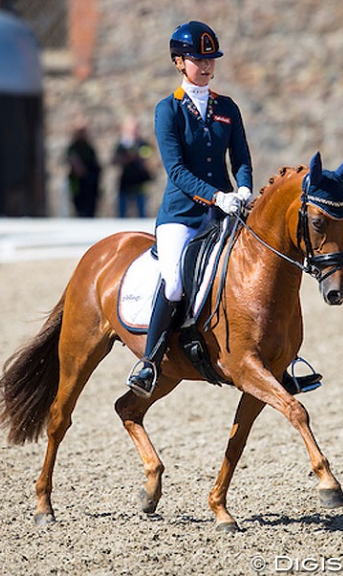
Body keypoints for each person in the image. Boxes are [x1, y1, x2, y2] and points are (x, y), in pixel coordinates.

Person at [126, 20, 254, 398]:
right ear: (180, 62)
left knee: (256, 268)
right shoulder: (169, 110)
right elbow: (177, 171)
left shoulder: (227, 108)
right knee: (176, 281)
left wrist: (244, 186)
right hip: (182, 216)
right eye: (198, 59)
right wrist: (218, 197)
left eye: (211, 58)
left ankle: (282, 355)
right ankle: (150, 362)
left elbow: (241, 157)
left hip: (225, 214)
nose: (207, 65)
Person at [111, 117, 154, 218]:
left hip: (139, 183)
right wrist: (125, 158)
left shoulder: (143, 144)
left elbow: (150, 160)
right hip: (125, 182)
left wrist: (139, 158)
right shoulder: (121, 146)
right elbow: (114, 161)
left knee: (142, 212)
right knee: (122, 213)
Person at [66, 121, 101, 218]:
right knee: (80, 205)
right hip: (79, 182)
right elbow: (73, 161)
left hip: (90, 181)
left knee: (90, 206)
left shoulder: (88, 147)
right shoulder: (74, 147)